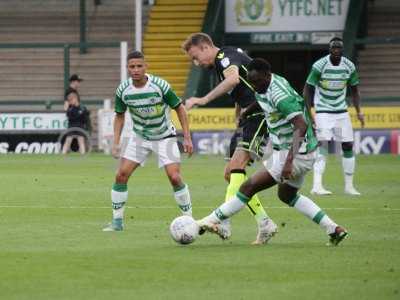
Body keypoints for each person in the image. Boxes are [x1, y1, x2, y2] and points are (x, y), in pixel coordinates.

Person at [197, 58, 348, 246]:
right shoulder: (265, 84)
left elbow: (300, 126)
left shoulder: (279, 95)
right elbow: (262, 99)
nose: (255, 86)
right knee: (287, 196)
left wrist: (288, 163)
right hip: (305, 152)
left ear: (267, 76)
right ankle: (334, 229)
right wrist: (247, 111)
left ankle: (211, 220)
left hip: (294, 153)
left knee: (247, 188)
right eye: (252, 82)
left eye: (258, 82)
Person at [182, 32, 275, 245]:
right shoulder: (223, 61)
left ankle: (222, 221)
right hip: (247, 117)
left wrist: (203, 99)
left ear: (205, 46)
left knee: (236, 167)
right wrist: (237, 115)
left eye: (196, 57)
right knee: (230, 174)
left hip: (260, 112)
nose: (196, 63)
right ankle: (264, 222)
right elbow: (240, 85)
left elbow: (233, 78)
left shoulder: (224, 56)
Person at [103, 51, 194, 231]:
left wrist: (187, 137)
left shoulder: (160, 86)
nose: (136, 70)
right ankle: (117, 223)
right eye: (132, 66)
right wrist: (116, 142)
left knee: (175, 177)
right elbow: (119, 116)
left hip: (164, 136)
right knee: (121, 175)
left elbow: (180, 109)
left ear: (146, 67)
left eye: (139, 66)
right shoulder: (123, 90)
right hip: (140, 138)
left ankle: (189, 220)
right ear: (127, 68)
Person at [303, 37, 365, 196]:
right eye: (333, 48)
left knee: (348, 145)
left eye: (339, 48)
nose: (336, 50)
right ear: (329, 49)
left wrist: (359, 111)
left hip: (341, 111)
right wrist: (310, 113)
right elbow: (307, 89)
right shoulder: (319, 65)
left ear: (342, 49)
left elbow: (355, 90)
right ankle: (317, 186)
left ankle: (349, 186)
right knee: (322, 145)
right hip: (323, 110)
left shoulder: (349, 66)